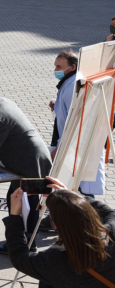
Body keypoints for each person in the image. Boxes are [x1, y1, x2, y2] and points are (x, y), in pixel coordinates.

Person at [0, 76, 52, 254]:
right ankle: (22, 241)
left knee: (25, 202)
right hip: (34, 158)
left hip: (29, 162)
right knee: (20, 200)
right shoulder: (5, 102)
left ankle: (26, 245)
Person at [6, 177, 115, 287]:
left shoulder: (54, 261)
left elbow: (19, 257)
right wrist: (73, 197)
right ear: (90, 213)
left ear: (55, 223)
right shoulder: (111, 235)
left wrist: (14, 215)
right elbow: (110, 213)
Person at [52, 49, 104, 196]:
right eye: (55, 66)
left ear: (73, 67)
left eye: (59, 67)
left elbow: (76, 123)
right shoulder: (71, 83)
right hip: (74, 148)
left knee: (78, 192)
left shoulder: (72, 87)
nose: (55, 70)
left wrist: (61, 148)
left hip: (73, 148)